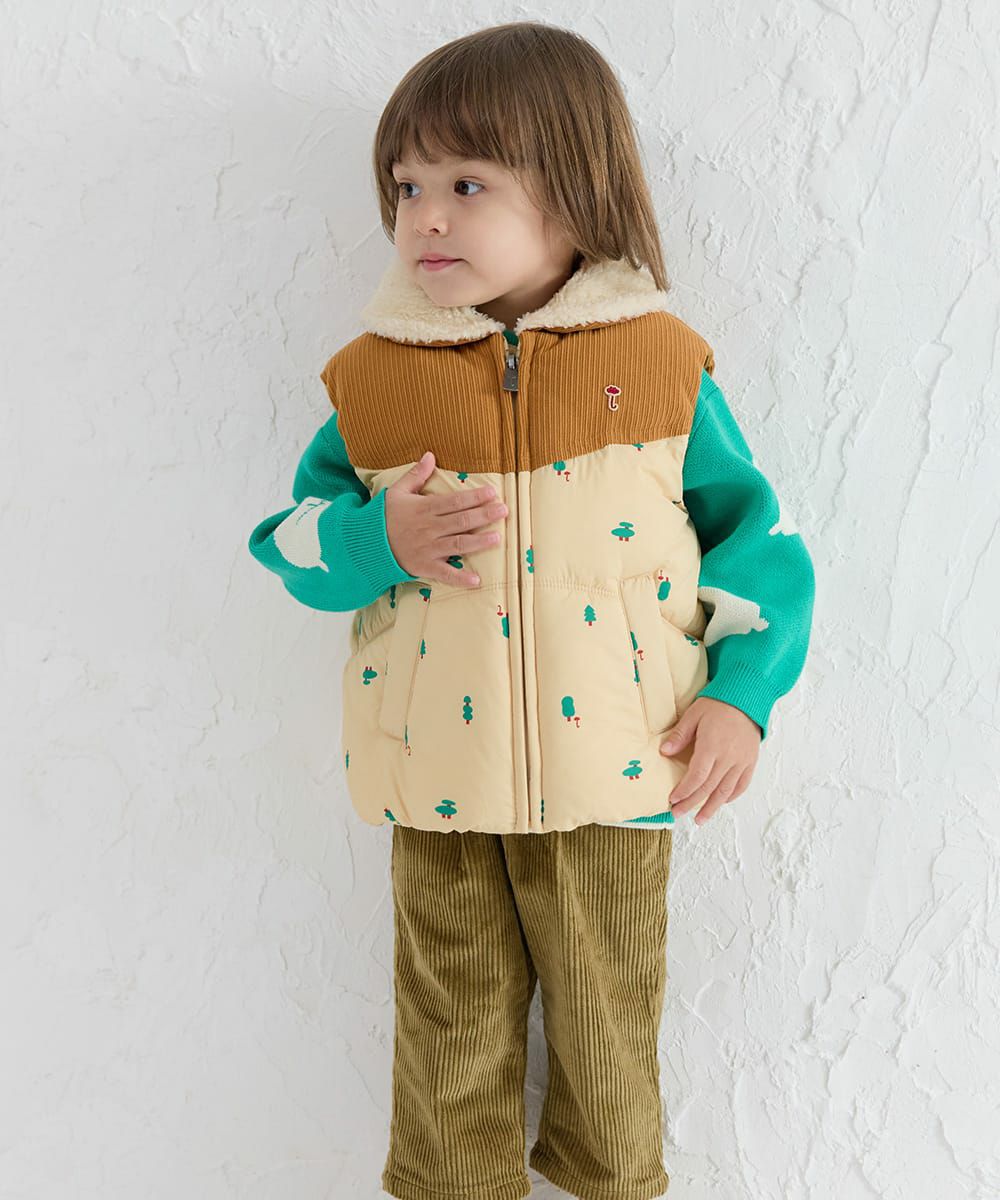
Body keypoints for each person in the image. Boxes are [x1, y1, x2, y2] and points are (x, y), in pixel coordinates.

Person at [248, 20, 815, 1200]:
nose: (424, 217)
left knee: (609, 1034)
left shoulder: (659, 364)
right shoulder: (376, 377)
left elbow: (754, 543)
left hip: (619, 770)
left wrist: (742, 697)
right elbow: (291, 544)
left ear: (573, 191)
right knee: (445, 1031)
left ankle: (613, 1188)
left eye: (466, 184)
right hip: (434, 778)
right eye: (406, 186)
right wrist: (378, 538)